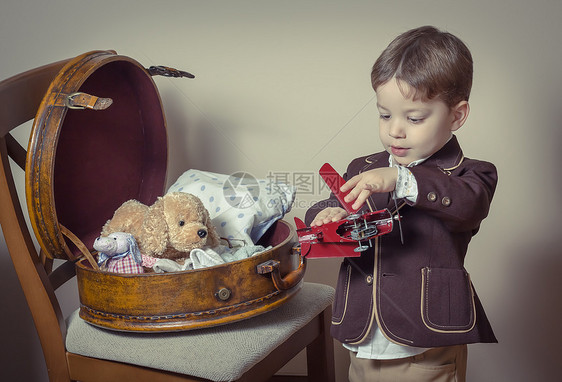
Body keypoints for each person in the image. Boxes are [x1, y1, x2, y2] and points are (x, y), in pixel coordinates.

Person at [304, 26, 497, 382]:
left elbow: (468, 206)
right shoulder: (362, 167)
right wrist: (328, 215)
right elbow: (331, 205)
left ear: (456, 116)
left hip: (426, 342)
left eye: (414, 118)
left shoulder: (472, 176)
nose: (395, 130)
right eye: (384, 114)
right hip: (361, 336)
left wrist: (402, 178)